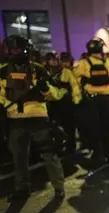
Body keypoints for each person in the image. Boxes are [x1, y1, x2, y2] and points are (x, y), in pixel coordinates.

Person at [0, 35, 66, 200]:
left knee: (49, 154)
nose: (15, 51)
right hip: (17, 119)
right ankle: (23, 188)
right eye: (12, 48)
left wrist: (44, 89)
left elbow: (55, 94)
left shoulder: (38, 69)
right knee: (19, 156)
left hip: (37, 119)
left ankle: (58, 187)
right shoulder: (3, 70)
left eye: (18, 48)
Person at [74, 38, 109, 165]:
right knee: (108, 128)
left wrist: (84, 88)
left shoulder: (83, 64)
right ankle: (108, 154)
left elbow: (75, 80)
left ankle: (97, 153)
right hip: (106, 101)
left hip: (91, 101)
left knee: (93, 128)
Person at [44, 51, 81, 156]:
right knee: (54, 127)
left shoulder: (66, 72)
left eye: (56, 60)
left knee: (69, 127)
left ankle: (71, 147)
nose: (54, 62)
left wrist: (76, 100)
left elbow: (74, 86)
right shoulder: (45, 72)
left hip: (66, 104)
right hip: (52, 105)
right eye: (51, 60)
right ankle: (58, 146)